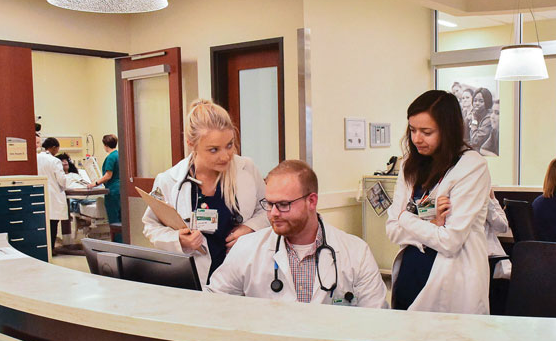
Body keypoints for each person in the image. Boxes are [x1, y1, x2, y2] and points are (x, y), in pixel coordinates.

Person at [208, 160, 387, 307]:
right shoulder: (246, 249)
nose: (273, 213)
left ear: (312, 201)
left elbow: (376, 319)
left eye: (283, 204)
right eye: (269, 204)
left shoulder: (356, 253)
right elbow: (213, 303)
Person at [385, 89, 491, 314]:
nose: (416, 139)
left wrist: (406, 218)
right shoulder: (410, 165)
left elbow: (450, 241)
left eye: (426, 132)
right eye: (412, 130)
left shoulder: (471, 166)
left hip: (452, 281)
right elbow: (392, 229)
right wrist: (432, 225)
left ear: (448, 130)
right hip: (410, 274)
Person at [142, 99, 268, 285]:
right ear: (191, 143)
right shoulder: (168, 180)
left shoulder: (247, 169)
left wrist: (251, 228)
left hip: (241, 273)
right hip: (194, 278)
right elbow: (151, 226)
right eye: (213, 150)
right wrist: (178, 240)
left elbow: (268, 209)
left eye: (229, 145)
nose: (225, 156)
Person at [36, 137, 68, 253]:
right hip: (54, 195)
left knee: (43, 223)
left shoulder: (36, 158)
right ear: (54, 147)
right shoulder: (55, 161)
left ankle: (44, 247)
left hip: (39, 193)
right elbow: (62, 180)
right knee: (53, 223)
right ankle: (51, 248)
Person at [94, 134, 121, 239]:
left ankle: (117, 243)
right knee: (121, 219)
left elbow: (108, 175)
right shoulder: (119, 155)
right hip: (120, 190)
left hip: (113, 191)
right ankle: (123, 242)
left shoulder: (110, 157)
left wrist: (95, 183)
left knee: (114, 220)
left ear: (105, 145)